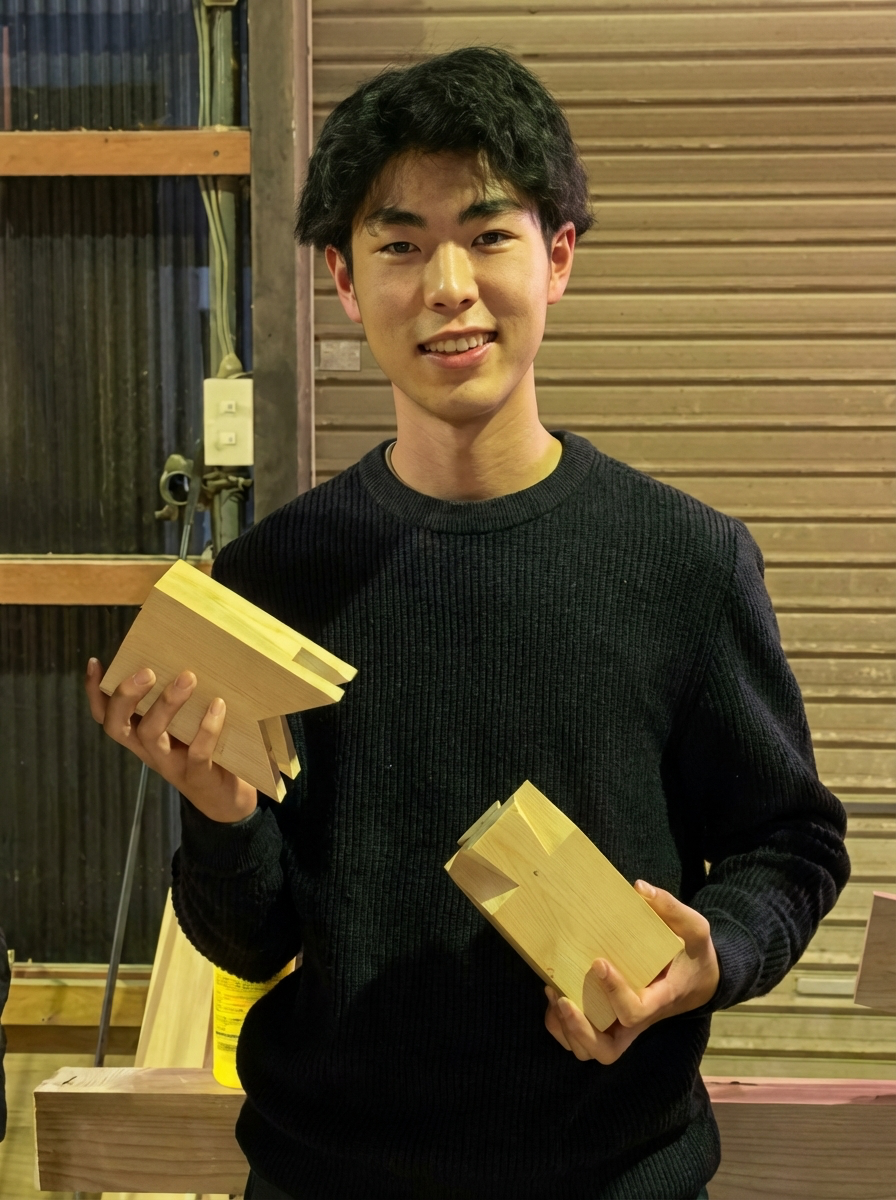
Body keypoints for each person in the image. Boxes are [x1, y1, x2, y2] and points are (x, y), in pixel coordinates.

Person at [86, 47, 850, 1200]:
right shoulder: (267, 579)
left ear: (557, 258)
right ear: (344, 280)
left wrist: (708, 958)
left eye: (488, 235)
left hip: (611, 1178)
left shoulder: (683, 562)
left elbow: (787, 845)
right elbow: (249, 942)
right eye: (399, 245)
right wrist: (221, 816)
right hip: (327, 1179)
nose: (448, 286)